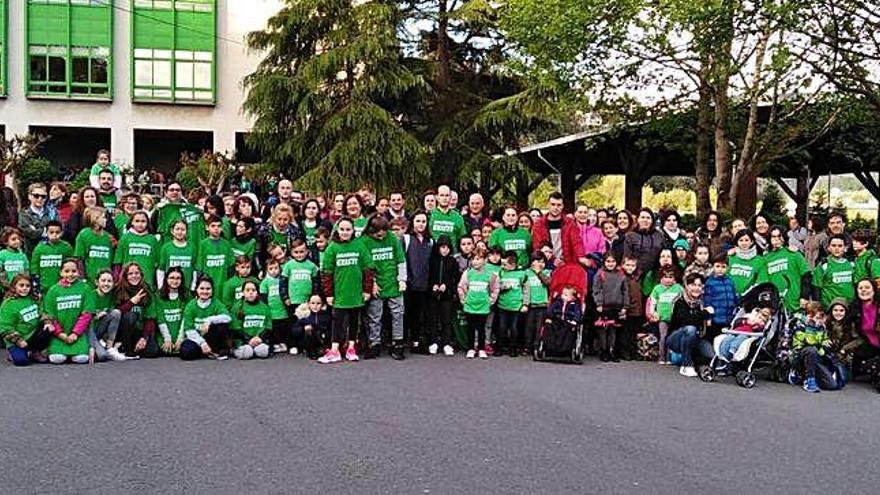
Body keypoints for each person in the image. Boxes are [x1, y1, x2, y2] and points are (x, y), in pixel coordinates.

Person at [319, 217, 374, 364]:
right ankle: (335, 350)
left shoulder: (359, 245)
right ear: (337, 230)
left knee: (354, 321)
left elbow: (368, 269)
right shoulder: (332, 248)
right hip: (339, 294)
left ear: (353, 231)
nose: (345, 232)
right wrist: (329, 293)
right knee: (337, 321)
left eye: (348, 229)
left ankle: (351, 348)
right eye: (342, 229)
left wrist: (367, 290)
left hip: (356, 293)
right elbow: (327, 273)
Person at [362, 216, 407, 360]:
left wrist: (402, 279)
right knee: (375, 316)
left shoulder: (392, 238)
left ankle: (398, 343)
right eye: (378, 233)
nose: (381, 236)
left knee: (398, 313)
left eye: (383, 232)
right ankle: (374, 343)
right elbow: (365, 265)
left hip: (393, 281)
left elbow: (400, 259)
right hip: (377, 283)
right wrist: (372, 284)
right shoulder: (365, 241)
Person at [44, 259, 93, 365]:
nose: (70, 274)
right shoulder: (53, 290)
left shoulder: (85, 288)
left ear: (79, 272)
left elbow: (87, 314)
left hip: (78, 335)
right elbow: (50, 315)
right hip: (59, 335)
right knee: (57, 359)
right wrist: (60, 334)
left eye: (74, 271)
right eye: (67, 271)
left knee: (81, 359)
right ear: (61, 272)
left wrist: (75, 334)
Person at [458, 246, 500, 359]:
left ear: (485, 260)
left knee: (481, 328)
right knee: (471, 328)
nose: (475, 262)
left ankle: (481, 348)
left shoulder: (491, 275)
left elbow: (495, 288)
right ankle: (471, 348)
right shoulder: (468, 273)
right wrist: (464, 300)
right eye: (473, 259)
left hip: (483, 306)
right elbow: (461, 287)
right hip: (470, 305)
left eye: (478, 259)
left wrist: (490, 301)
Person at [666, 273, 710, 378]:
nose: (696, 288)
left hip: (696, 337)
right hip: (676, 338)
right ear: (687, 286)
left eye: (699, 285)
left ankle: (693, 359)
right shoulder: (679, 301)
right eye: (693, 285)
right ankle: (686, 365)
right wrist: (705, 314)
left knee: (711, 355)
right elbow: (687, 321)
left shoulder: (702, 302)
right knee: (690, 329)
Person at [0, 274, 50, 365]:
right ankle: (14, 353)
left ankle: (35, 351)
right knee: (21, 361)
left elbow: (42, 311)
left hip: (33, 334)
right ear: (14, 286)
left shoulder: (34, 298)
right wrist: (18, 340)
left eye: (28, 286)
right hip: (16, 339)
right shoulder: (8, 304)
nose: (24, 288)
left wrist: (47, 321)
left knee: (48, 327)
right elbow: (5, 327)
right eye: (21, 285)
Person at [179, 276, 232, 360]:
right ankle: (206, 351)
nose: (205, 291)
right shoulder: (190, 306)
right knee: (186, 352)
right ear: (197, 289)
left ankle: (213, 350)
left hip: (210, 337)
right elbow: (189, 330)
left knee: (221, 326)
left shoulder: (216, 303)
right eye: (202, 288)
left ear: (212, 291)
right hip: (195, 338)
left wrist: (209, 320)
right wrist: (202, 343)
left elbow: (227, 318)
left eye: (208, 289)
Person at [281, 239, 320, 349]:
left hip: (307, 301)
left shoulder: (311, 266)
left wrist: (313, 298)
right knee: (293, 324)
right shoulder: (288, 266)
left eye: (302, 252)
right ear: (292, 252)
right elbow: (283, 282)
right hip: (293, 300)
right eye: (296, 252)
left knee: (306, 324)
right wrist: (285, 297)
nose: (299, 255)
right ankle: (293, 345)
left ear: (307, 251)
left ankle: (305, 345)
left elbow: (316, 283)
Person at [763, 225, 811, 313]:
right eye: (773, 236)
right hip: (775, 304)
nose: (777, 239)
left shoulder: (794, 253)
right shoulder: (766, 258)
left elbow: (806, 275)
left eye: (779, 236)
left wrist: (804, 296)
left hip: (794, 302)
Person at [403, 211, 432, 352]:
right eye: (418, 221)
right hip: (409, 284)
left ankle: (417, 341)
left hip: (424, 284)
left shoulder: (430, 241)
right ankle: (404, 341)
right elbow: (402, 261)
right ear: (413, 222)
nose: (421, 224)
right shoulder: (406, 239)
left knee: (421, 315)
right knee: (408, 314)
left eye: (423, 221)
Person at [531, 192, 586, 267]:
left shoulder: (570, 223)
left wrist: (581, 257)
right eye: (553, 204)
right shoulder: (539, 224)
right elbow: (537, 246)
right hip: (546, 263)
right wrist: (553, 260)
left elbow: (577, 242)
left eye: (559, 205)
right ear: (548, 205)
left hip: (566, 262)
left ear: (563, 206)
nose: (555, 208)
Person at [592, 251, 628, 362]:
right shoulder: (600, 273)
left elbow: (625, 290)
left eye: (613, 261)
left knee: (613, 330)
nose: (610, 264)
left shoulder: (621, 274)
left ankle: (611, 350)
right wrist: (599, 303)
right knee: (603, 329)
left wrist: (625, 305)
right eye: (608, 261)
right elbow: (596, 290)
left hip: (616, 305)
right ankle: (603, 351)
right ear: (604, 262)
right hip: (603, 306)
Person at [789, 302, 832, 393]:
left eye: (821, 318)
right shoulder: (801, 324)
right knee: (811, 350)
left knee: (831, 384)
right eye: (817, 318)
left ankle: (806, 376)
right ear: (810, 316)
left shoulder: (821, 327)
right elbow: (806, 341)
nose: (820, 320)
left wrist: (825, 344)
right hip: (799, 354)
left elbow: (825, 339)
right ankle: (809, 380)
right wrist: (819, 343)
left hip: (816, 355)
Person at [427, 236, 460, 356]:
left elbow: (455, 278)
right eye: (442, 247)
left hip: (447, 296)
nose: (445, 250)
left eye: (447, 247)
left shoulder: (452, 261)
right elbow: (428, 276)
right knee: (433, 320)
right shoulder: (432, 260)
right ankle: (433, 342)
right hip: (433, 295)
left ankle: (447, 343)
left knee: (447, 320)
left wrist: (447, 286)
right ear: (438, 248)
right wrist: (432, 286)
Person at [86, 270, 126, 362]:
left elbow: (113, 319)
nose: (106, 284)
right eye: (103, 281)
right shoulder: (91, 296)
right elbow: (88, 323)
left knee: (116, 312)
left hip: (101, 330)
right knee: (102, 356)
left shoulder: (111, 296)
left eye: (109, 281)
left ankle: (109, 345)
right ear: (97, 282)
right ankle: (94, 347)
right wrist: (95, 317)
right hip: (90, 331)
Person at [495, 251, 530, 357]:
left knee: (514, 328)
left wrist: (525, 304)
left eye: (505, 264)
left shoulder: (522, 274)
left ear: (513, 265)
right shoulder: (501, 272)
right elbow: (494, 286)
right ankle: (500, 347)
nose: (502, 266)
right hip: (502, 305)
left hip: (516, 306)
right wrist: (502, 287)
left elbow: (526, 290)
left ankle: (513, 348)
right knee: (502, 327)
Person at [646, 267, 683, 364]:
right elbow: (652, 302)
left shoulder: (678, 288)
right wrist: (652, 313)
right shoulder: (657, 288)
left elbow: (683, 300)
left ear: (674, 278)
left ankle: (670, 357)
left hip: (675, 318)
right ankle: (662, 357)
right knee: (663, 336)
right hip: (662, 317)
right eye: (665, 277)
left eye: (671, 277)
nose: (668, 280)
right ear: (661, 278)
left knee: (672, 337)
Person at [114, 211, 159, 287]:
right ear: (131, 222)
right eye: (137, 221)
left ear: (148, 223)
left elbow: (157, 264)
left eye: (143, 221)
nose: (140, 224)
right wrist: (117, 280)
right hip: (128, 281)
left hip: (147, 280)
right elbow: (118, 262)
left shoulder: (153, 240)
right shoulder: (125, 238)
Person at [152, 181, 205, 246]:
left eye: (178, 190)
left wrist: (202, 211)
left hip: (189, 249)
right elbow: (153, 230)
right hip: (169, 250)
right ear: (166, 193)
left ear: (181, 192)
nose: (175, 192)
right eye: (172, 190)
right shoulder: (160, 210)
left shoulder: (193, 210)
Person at [230, 280, 273, 360]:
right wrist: (249, 339)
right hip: (243, 342)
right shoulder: (237, 307)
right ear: (243, 292)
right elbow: (235, 329)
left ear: (257, 292)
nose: (251, 292)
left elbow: (268, 327)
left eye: (253, 290)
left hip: (259, 341)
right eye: (247, 290)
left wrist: (260, 338)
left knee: (262, 352)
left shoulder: (265, 307)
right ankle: (235, 350)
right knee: (247, 352)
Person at [153, 267, 189, 357]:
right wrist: (167, 339)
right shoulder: (158, 296)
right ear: (166, 279)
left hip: (181, 334)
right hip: (164, 335)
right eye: (172, 278)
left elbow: (186, 319)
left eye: (178, 278)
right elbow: (160, 319)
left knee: (187, 352)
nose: (175, 281)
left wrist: (180, 339)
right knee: (153, 352)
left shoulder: (187, 296)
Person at [29, 220, 73, 296]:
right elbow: (34, 267)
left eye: (57, 232)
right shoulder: (39, 248)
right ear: (46, 232)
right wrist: (36, 285)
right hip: (44, 287)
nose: (55, 235)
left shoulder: (66, 247)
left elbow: (72, 264)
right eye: (51, 232)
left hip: (62, 286)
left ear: (62, 233)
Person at [812, 234, 855, 308]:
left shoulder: (852, 264)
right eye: (833, 245)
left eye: (840, 246)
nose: (836, 248)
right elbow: (816, 287)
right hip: (830, 307)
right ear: (828, 248)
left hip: (849, 307)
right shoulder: (823, 265)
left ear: (845, 248)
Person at [74, 206, 114, 285]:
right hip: (89, 281)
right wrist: (82, 279)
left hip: (105, 280)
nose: (106, 220)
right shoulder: (84, 234)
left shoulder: (109, 237)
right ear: (95, 219)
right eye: (103, 217)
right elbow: (79, 258)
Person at [196, 215, 235, 292]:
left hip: (223, 285)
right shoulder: (202, 244)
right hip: (207, 287)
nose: (216, 228)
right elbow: (199, 268)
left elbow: (231, 266)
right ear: (207, 227)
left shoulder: (227, 244)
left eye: (219, 226)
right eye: (213, 226)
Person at [260, 258, 290, 354]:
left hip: (283, 310)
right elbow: (263, 298)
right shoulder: (265, 282)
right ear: (267, 270)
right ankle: (275, 344)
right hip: (272, 311)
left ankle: (283, 342)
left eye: (276, 268)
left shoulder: (282, 279)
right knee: (274, 329)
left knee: (284, 327)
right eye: (271, 269)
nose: (274, 271)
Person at [624, 208, 665, 278]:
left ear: (652, 220)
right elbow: (627, 256)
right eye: (642, 217)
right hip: (636, 274)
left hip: (655, 274)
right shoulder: (630, 236)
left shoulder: (659, 235)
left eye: (648, 218)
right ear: (638, 219)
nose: (645, 220)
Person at [158, 220, 198, 290]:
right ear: (172, 231)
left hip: (187, 288)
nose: (180, 232)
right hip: (170, 288)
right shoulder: (166, 248)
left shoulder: (192, 247)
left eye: (183, 230)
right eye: (177, 229)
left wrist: (193, 286)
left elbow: (195, 270)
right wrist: (161, 286)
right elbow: (161, 269)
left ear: (187, 231)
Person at [18, 182, 58, 252]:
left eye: (43, 196)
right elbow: (29, 233)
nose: (40, 198)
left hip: (51, 251)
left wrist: (36, 229)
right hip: (32, 252)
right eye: (36, 196)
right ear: (29, 196)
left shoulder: (53, 212)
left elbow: (59, 230)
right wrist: (47, 230)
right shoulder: (24, 213)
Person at [524, 252, 550, 354]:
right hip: (531, 304)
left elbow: (548, 283)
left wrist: (539, 272)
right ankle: (527, 346)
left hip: (542, 304)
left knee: (540, 327)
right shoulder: (527, 272)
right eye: (537, 261)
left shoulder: (547, 272)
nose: (540, 264)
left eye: (542, 262)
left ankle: (537, 346)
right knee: (529, 327)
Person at [703, 255, 738, 332]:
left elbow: (734, 298)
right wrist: (708, 318)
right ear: (713, 267)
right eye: (717, 266)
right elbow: (707, 302)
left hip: (729, 319)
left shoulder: (730, 282)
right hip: (715, 320)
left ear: (727, 268)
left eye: (723, 267)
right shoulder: (710, 282)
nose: (720, 269)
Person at [726, 229, 767, 296]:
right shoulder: (731, 258)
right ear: (737, 242)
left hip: (749, 299)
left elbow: (762, 282)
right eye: (741, 240)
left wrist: (747, 294)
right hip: (729, 297)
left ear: (752, 242)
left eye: (747, 240)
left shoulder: (760, 260)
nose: (744, 243)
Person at [291, 294, 331, 360]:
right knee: (309, 333)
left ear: (322, 305)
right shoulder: (305, 316)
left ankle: (321, 350)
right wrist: (303, 329)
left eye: (318, 303)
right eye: (312, 303)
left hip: (322, 339)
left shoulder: (326, 316)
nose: (315, 306)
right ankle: (309, 351)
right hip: (308, 340)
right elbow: (294, 330)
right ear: (308, 304)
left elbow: (329, 329)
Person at [619, 255, 643, 361]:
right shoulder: (622, 277)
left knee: (634, 332)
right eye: (627, 265)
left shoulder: (637, 277)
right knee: (625, 332)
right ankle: (624, 351)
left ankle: (633, 351)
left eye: (633, 265)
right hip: (627, 308)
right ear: (623, 265)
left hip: (637, 308)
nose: (630, 268)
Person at [429, 185, 467, 250]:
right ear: (437, 197)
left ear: (450, 197)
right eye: (442, 195)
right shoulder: (430, 216)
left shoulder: (458, 217)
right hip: (432, 256)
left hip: (452, 256)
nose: (444, 198)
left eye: (447, 195)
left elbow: (462, 238)